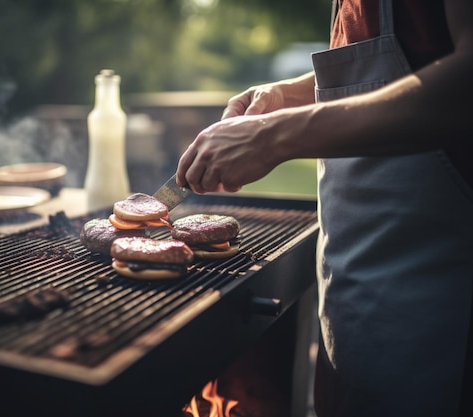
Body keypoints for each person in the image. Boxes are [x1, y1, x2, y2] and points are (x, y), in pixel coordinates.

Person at [176, 0, 473, 416]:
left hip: (442, 318)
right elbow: (405, 60)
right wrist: (287, 95)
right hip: (354, 301)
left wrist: (274, 136)